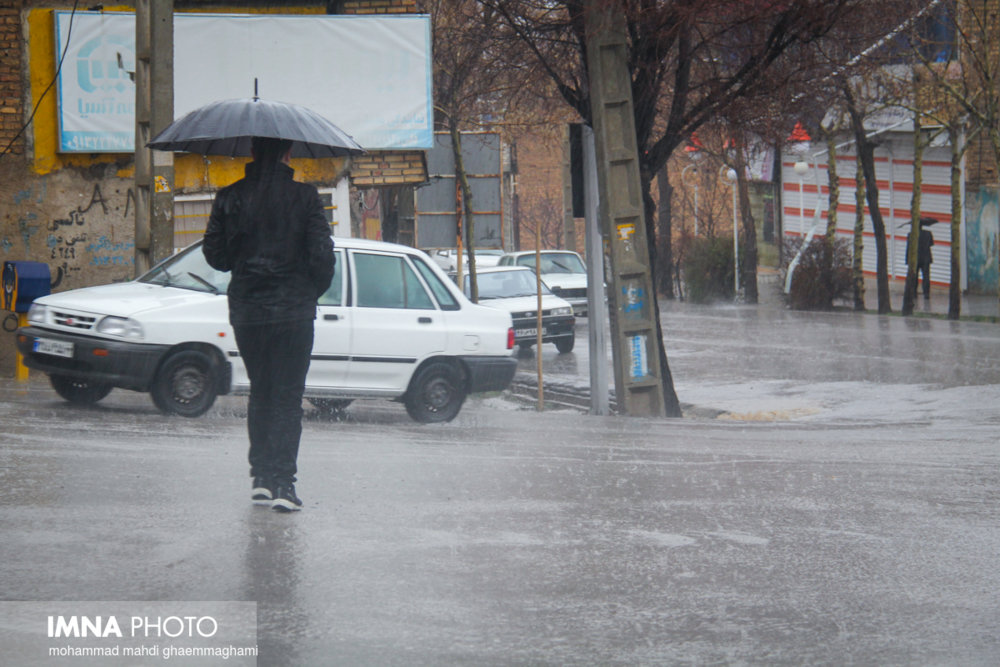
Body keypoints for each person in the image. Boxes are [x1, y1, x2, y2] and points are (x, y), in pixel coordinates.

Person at [203, 136, 335, 512]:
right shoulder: (306, 198)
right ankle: (283, 484)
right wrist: (309, 291)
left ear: (252, 152)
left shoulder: (229, 196)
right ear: (288, 153)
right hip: (293, 311)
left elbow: (216, 256)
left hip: (248, 310)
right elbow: (322, 255)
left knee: (262, 390)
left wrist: (243, 244)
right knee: (287, 396)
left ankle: (261, 477)